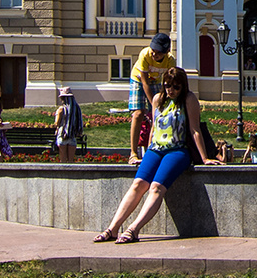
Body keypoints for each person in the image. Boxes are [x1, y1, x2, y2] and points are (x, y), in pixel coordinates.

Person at [94, 67, 220, 244]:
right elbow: (154, 128)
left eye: (176, 87)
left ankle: (134, 229)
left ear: (183, 86)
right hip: (155, 149)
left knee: (156, 187)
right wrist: (145, 152)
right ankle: (112, 228)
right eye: (168, 86)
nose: (171, 90)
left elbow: (195, 129)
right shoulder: (157, 99)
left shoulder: (189, 99)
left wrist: (205, 158)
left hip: (177, 150)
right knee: (138, 184)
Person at [128, 33, 175, 164]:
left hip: (156, 82)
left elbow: (169, 83)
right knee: (138, 113)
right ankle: (133, 153)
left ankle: (154, 150)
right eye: (153, 51)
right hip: (138, 80)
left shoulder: (170, 61)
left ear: (166, 52)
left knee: (158, 115)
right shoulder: (145, 54)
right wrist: (152, 104)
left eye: (158, 52)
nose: (154, 54)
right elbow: (145, 83)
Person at [53, 86, 83, 164]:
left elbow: (57, 123)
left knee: (63, 161)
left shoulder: (61, 109)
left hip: (63, 135)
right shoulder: (76, 108)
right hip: (72, 135)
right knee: (70, 161)